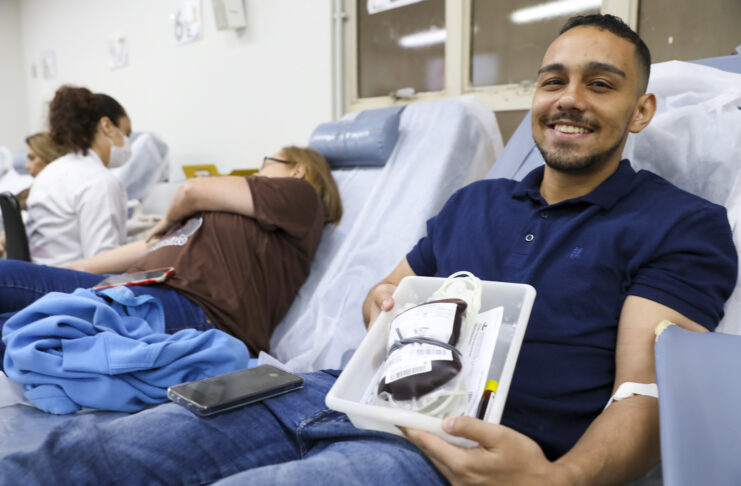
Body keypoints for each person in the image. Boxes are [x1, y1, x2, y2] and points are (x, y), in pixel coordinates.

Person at [0, 14, 736, 486]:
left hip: (456, 445)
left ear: (640, 110)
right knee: (93, 453)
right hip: (326, 390)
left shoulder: (680, 225)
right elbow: (384, 293)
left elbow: (643, 391)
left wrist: (561, 479)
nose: (569, 98)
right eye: (553, 81)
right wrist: (384, 304)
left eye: (600, 85)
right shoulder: (475, 201)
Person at [0, 145, 341, 360]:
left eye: (267, 162)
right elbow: (149, 245)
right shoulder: (235, 214)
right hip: (138, 287)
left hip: (198, 309)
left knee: (17, 331)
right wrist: (70, 268)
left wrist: (168, 217)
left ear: (298, 169)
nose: (256, 171)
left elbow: (190, 191)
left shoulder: (301, 196)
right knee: (9, 278)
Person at [25, 85, 130, 266]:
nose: (127, 142)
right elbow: (103, 261)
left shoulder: (50, 172)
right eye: (126, 133)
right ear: (106, 126)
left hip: (41, 276)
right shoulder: (99, 181)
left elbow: (67, 232)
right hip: (75, 280)